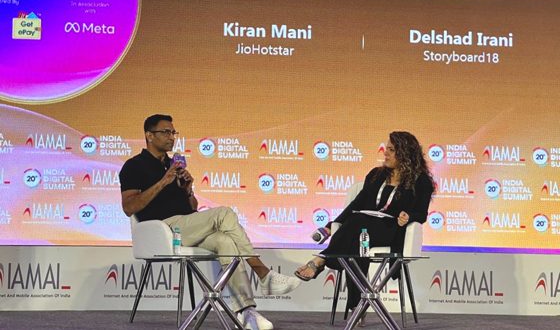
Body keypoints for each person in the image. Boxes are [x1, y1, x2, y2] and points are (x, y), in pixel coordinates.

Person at [119, 114, 300, 330]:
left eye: (173, 132)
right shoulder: (134, 166)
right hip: (162, 229)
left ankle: (246, 311)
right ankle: (263, 273)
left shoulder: (173, 164)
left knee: (226, 241)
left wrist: (188, 190)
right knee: (224, 213)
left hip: (186, 224)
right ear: (149, 135)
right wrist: (163, 182)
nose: (172, 137)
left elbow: (192, 207)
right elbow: (129, 207)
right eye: (165, 132)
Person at [295, 131, 435, 311]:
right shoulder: (376, 175)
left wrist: (409, 217)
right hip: (363, 229)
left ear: (405, 154)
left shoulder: (421, 181)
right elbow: (357, 204)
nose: (385, 153)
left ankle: (322, 260)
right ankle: (358, 307)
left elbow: (421, 214)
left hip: (391, 230)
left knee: (357, 224)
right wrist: (331, 226)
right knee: (357, 244)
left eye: (391, 150)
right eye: (386, 149)